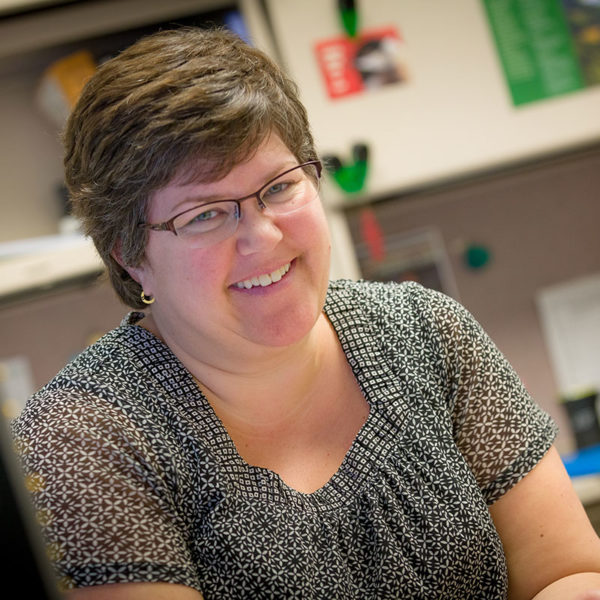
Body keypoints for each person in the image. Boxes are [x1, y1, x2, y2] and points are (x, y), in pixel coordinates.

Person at [11, 26, 600, 600]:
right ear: (130, 254)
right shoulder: (82, 443)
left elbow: (567, 573)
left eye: (278, 187)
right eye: (205, 215)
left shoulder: (425, 330)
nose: (262, 237)